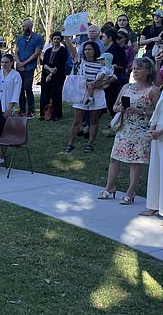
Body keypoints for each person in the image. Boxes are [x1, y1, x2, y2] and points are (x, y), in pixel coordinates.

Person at [98, 58, 160, 203]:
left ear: (148, 71)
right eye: (134, 68)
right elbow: (114, 106)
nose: (135, 71)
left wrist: (141, 111)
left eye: (139, 68)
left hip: (140, 129)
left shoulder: (153, 90)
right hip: (124, 128)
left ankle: (131, 191)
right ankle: (109, 187)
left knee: (134, 161)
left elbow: (158, 112)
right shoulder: (127, 87)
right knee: (114, 159)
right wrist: (120, 108)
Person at [63, 40, 113, 153]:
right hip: (82, 93)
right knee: (77, 120)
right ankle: (70, 143)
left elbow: (112, 76)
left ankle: (90, 143)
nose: (87, 51)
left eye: (90, 49)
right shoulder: (80, 61)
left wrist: (102, 84)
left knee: (94, 119)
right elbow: (71, 48)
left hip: (97, 93)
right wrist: (66, 36)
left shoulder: (101, 63)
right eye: (85, 49)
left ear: (95, 50)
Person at [15, 19, 43, 117]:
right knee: (20, 88)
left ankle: (30, 110)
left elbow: (36, 53)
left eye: (24, 26)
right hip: (19, 67)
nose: (23, 28)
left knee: (28, 87)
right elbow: (16, 52)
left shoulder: (38, 38)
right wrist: (19, 63)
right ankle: (22, 109)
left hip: (29, 67)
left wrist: (24, 63)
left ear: (30, 27)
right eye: (22, 26)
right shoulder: (20, 38)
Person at [142, 91, 163, 217]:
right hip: (158, 133)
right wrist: (153, 127)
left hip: (161, 132)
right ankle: (154, 205)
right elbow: (159, 109)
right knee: (156, 170)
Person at [39, 32, 68, 121]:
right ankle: (43, 114)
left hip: (58, 75)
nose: (56, 41)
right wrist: (49, 71)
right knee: (44, 94)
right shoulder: (48, 50)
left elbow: (60, 64)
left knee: (56, 94)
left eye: (58, 39)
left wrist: (51, 73)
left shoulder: (63, 51)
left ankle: (56, 114)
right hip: (46, 74)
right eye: (54, 39)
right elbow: (44, 63)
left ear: (60, 40)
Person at [100, 29, 128, 115]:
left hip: (117, 79)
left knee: (114, 101)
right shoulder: (109, 49)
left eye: (104, 37)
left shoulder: (117, 49)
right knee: (110, 101)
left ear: (110, 38)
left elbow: (121, 65)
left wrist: (109, 66)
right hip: (111, 78)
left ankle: (117, 120)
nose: (102, 39)